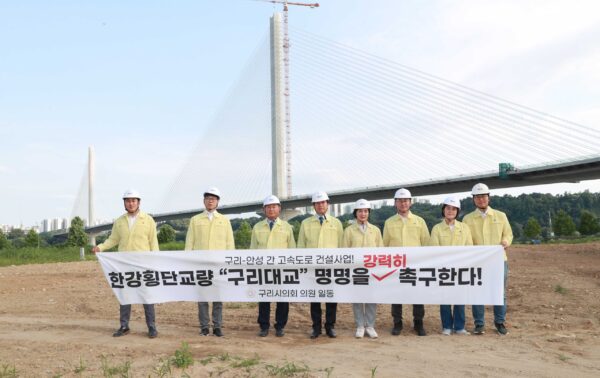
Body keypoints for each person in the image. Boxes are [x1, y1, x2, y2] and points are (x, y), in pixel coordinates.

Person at [92, 189, 159, 338]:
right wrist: (100, 247)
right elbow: (113, 239)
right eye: (128, 201)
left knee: (147, 296)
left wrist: (156, 263)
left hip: (143, 265)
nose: (131, 203)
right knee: (125, 296)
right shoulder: (119, 221)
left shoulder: (148, 220)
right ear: (124, 203)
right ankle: (124, 326)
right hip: (124, 265)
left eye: (133, 200)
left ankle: (152, 327)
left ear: (139, 202)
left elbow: (153, 243)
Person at [462, 183, 513, 336]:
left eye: (483, 196)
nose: (481, 200)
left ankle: (500, 322)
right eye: (477, 197)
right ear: (473, 200)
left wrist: (505, 242)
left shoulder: (500, 216)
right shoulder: (467, 219)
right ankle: (479, 324)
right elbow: (466, 239)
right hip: (478, 262)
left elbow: (508, 234)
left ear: (488, 198)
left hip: (499, 260)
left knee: (499, 292)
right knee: (477, 292)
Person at [184, 187, 235, 337]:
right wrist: (188, 262)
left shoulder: (224, 221)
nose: (210, 201)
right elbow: (189, 243)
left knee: (218, 298)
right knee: (203, 298)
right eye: (208, 198)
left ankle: (217, 326)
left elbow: (229, 244)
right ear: (204, 201)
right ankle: (204, 326)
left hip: (219, 265)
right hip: (200, 265)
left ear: (218, 202)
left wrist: (229, 263)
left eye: (213, 198)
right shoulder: (195, 220)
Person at [383, 188, 430, 336]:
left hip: (415, 265)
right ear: (395, 203)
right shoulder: (389, 222)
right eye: (400, 201)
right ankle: (397, 324)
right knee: (396, 296)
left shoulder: (419, 221)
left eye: (405, 201)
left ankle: (418, 324)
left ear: (410, 202)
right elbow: (385, 245)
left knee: (418, 296)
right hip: (396, 265)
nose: (403, 203)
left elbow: (426, 244)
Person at [297, 191, 344, 339]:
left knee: (331, 298)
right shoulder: (306, 223)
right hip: (312, 268)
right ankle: (316, 327)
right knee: (315, 299)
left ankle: (330, 326)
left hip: (331, 268)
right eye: (317, 203)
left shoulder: (336, 223)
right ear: (313, 206)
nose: (321, 205)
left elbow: (342, 246)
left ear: (328, 204)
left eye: (323, 202)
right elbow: (301, 246)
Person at [250, 195, 296, 337]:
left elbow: (292, 249)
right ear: (264, 209)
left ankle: (280, 326)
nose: (271, 209)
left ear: (279, 209)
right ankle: (264, 326)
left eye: (274, 206)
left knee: (282, 299)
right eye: (268, 207)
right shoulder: (257, 227)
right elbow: (253, 248)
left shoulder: (287, 227)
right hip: (263, 269)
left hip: (282, 270)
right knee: (264, 298)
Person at [430, 196, 473, 336]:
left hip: (461, 269)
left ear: (457, 211)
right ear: (443, 210)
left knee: (460, 299)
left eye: (454, 209)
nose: (450, 211)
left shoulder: (464, 228)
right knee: (445, 299)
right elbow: (434, 249)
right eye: (448, 208)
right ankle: (447, 326)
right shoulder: (437, 229)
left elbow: (469, 248)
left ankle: (460, 327)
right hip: (444, 269)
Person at [342, 199, 383, 339]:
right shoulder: (348, 230)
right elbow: (344, 251)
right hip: (356, 270)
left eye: (365, 211)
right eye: (360, 211)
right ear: (355, 213)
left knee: (371, 298)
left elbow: (380, 251)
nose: (363, 214)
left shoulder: (376, 230)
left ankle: (370, 326)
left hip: (372, 271)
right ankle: (360, 325)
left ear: (369, 213)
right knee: (358, 298)